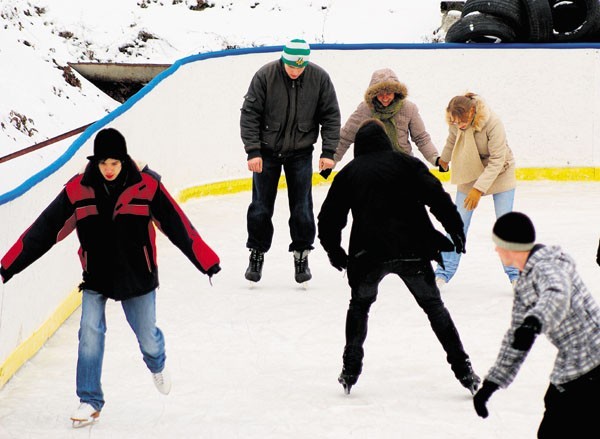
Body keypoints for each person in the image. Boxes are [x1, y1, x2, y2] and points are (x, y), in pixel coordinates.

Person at [0, 128, 221, 428]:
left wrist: (206, 261)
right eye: (103, 162)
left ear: (124, 160)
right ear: (95, 162)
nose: (108, 169)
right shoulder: (79, 189)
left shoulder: (147, 186)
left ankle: (157, 363)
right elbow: (44, 230)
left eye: (114, 163)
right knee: (89, 333)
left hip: (137, 276)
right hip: (97, 275)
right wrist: (7, 265)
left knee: (148, 339)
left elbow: (178, 224)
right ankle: (89, 399)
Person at [317, 119, 480, 395]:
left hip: (367, 254)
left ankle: (350, 369)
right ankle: (464, 370)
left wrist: (336, 253)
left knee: (359, 306)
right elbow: (437, 197)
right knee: (434, 307)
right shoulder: (408, 164)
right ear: (386, 141)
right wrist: (455, 229)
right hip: (412, 250)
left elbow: (328, 219)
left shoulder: (349, 173)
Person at [473, 211, 600, 438]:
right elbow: (516, 339)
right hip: (578, 364)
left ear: (511, 247)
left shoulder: (548, 266)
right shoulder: (526, 281)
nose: (496, 250)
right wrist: (491, 385)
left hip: (592, 361)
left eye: (498, 245)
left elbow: (557, 293)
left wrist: (535, 321)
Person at [240, 38, 341, 284]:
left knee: (302, 207)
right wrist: (253, 151)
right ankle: (257, 252)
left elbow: (331, 116)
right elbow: (250, 115)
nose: (295, 71)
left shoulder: (319, 78)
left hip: (301, 152)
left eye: (300, 67)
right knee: (261, 206)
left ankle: (301, 254)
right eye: (291, 67)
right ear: (283, 60)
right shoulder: (265, 76)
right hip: (266, 152)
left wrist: (328, 153)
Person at [434, 92, 518, 288]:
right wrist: (444, 160)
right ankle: (443, 273)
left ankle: (515, 275)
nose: (459, 125)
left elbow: (497, 160)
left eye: (462, 121)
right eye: (455, 121)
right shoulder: (456, 122)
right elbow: (451, 141)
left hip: (500, 173)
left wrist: (478, 190)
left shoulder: (493, 123)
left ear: (472, 111)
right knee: (457, 224)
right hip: (470, 170)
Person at [334, 68, 443, 170]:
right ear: (373, 94)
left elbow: (421, 138)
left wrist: (435, 159)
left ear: (396, 92)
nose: (385, 98)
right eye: (380, 94)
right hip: (373, 165)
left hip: (401, 163)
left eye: (389, 93)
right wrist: (331, 160)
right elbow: (345, 137)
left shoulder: (409, 108)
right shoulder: (365, 109)